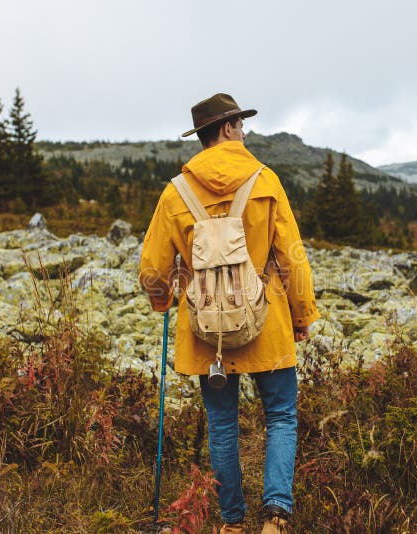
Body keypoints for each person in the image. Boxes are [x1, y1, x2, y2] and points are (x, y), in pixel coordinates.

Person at [139, 93, 319, 534]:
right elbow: (292, 256)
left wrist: (165, 300)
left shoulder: (174, 192)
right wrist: (302, 316)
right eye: (239, 124)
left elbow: (151, 270)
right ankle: (275, 516)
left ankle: (232, 523)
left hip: (206, 329)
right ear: (226, 130)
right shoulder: (266, 181)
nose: (244, 131)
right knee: (280, 415)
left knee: (221, 424)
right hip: (267, 322)